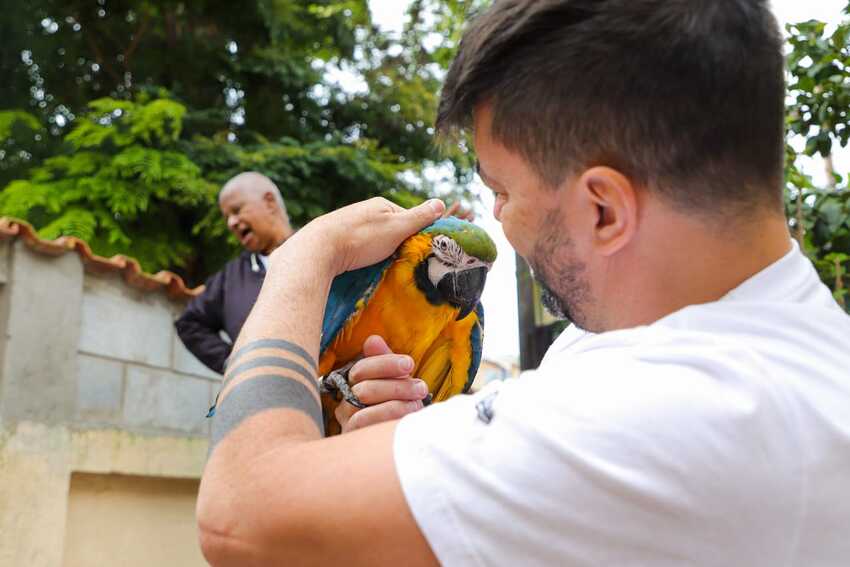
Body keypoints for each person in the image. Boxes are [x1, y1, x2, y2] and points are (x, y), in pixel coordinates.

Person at [195, 1, 850, 566]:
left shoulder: (673, 411)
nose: (497, 218)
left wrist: (305, 256)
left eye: (502, 190)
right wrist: (408, 448)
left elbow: (239, 513)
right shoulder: (697, 343)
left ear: (604, 209)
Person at [175, 172, 294, 373]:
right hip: (259, 396)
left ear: (270, 202)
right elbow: (189, 324)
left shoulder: (320, 251)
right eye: (227, 217)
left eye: (237, 210)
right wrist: (232, 363)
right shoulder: (229, 279)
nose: (231, 223)